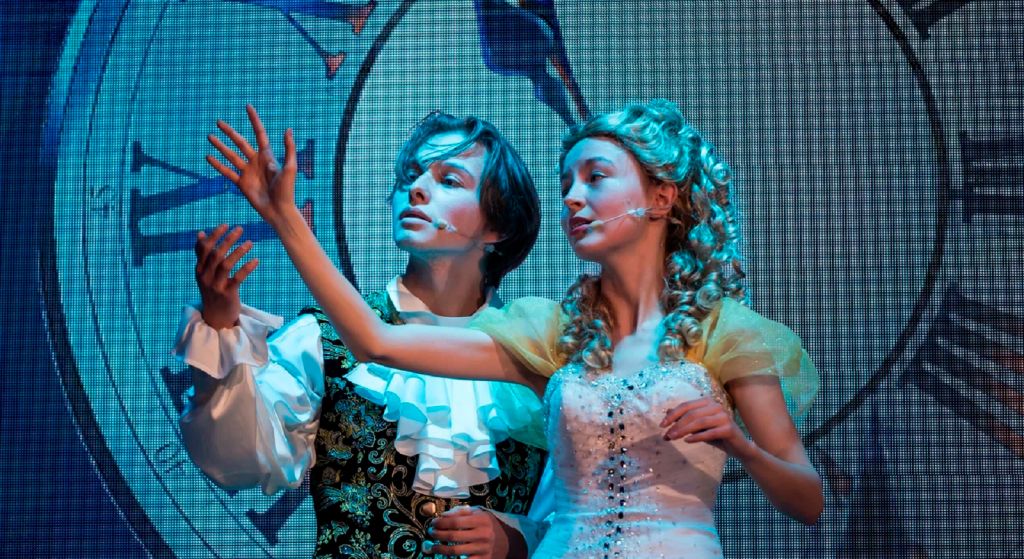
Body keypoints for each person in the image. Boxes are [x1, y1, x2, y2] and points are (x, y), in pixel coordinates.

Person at [217, 99, 824, 558]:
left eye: (595, 177)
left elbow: (808, 500)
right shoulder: (554, 334)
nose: (573, 198)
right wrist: (286, 220)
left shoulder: (725, 331)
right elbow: (378, 342)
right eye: (566, 185)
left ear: (661, 198)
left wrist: (739, 443)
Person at [175, 107, 548, 558]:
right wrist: (219, 328)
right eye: (410, 175)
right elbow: (238, 460)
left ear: (498, 227)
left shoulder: (533, 353)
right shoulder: (324, 337)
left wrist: (518, 538)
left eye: (449, 181)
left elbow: (589, 510)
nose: (416, 188)